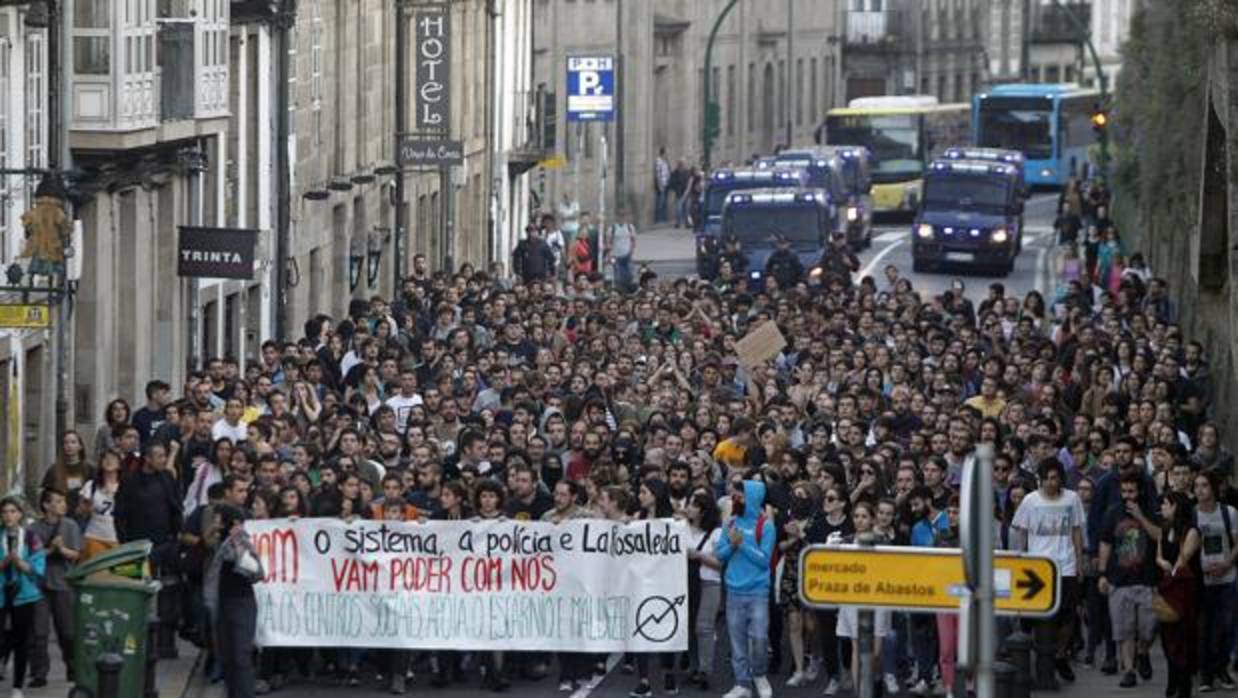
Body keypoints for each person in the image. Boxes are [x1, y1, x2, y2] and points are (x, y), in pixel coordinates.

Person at [1010, 457, 1085, 688]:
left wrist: (1080, 561)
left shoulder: (1072, 498)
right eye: (1047, 479)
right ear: (1040, 480)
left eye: (1055, 478)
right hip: (1038, 567)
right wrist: (1020, 561)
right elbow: (1020, 532)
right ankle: (1043, 660)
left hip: (1066, 565)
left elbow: (1076, 531)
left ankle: (1059, 654)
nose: (1052, 483)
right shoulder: (1030, 501)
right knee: (1036, 620)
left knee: (1069, 616)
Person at [1097, 472, 1161, 689]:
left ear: (1140, 491)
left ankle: (1143, 652)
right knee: (1124, 629)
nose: (1127, 496)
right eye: (1123, 491)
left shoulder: (1152, 511)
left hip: (1147, 579)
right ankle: (1129, 670)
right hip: (1120, 580)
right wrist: (1103, 574)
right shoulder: (1112, 513)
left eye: (1131, 491)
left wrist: (1141, 517)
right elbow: (1105, 543)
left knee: (1148, 628)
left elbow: (1160, 536)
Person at [715, 479, 776, 698]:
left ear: (752, 499)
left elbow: (764, 560)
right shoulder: (730, 523)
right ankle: (742, 684)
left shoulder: (766, 526)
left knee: (759, 638)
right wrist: (732, 545)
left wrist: (742, 545)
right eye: (734, 497)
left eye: (740, 497)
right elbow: (720, 555)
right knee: (737, 642)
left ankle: (759, 675)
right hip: (734, 591)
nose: (735, 500)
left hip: (758, 591)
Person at [204, 503, 264, 698]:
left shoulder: (242, 542)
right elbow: (205, 542)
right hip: (222, 604)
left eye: (218, 518)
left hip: (241, 603)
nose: (215, 522)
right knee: (227, 656)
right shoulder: (219, 542)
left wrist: (237, 542)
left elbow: (256, 572)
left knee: (240, 656)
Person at [28, 488, 80, 688]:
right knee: (39, 632)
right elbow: (33, 556)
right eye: (57, 501)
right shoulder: (34, 529)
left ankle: (73, 667)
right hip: (39, 585)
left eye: (63, 501)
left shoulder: (70, 525)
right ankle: (39, 672)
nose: (63, 505)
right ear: (46, 505)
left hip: (63, 583)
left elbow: (75, 555)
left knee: (67, 631)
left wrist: (62, 549)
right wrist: (51, 549)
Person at [1193, 469, 1238, 691]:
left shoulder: (1229, 512)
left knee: (1227, 625)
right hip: (1202, 580)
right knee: (1205, 628)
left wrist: (1227, 563)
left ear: (1213, 487)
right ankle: (1206, 674)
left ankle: (1222, 668)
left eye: (1204, 485)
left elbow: (1236, 542)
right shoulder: (1192, 515)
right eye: (1197, 486)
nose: (1200, 490)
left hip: (1227, 578)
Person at [1155, 491, 1199, 698]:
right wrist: (1162, 562)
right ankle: (1173, 678)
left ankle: (1184, 685)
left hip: (1185, 592)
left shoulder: (1190, 532)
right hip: (1167, 589)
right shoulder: (1164, 529)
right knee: (1167, 638)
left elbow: (1183, 561)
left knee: (1183, 639)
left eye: (1165, 504)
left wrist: (1170, 568)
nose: (1162, 508)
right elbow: (1159, 555)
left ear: (1175, 507)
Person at [0, 496, 46, 697]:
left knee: (21, 640)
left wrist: (20, 563)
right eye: (5, 512)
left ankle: (17, 686)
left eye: (13, 511)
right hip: (2, 593)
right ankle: (4, 656)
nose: (9, 516)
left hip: (24, 594)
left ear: (20, 514)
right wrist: (5, 563)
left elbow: (37, 567)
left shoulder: (30, 537)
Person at [608, 208, 637, 292]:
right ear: (616, 217)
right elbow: (609, 242)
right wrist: (610, 253)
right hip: (616, 255)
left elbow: (633, 240)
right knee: (617, 275)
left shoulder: (630, 227)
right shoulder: (612, 228)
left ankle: (629, 289)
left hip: (627, 255)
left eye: (623, 216)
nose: (622, 218)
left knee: (630, 274)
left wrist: (631, 251)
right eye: (620, 216)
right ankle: (619, 290)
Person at [654, 148, 671, 223]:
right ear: (663, 153)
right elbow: (658, 174)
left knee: (664, 201)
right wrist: (660, 184)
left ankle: (664, 218)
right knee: (660, 201)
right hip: (662, 184)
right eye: (665, 153)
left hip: (666, 183)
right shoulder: (658, 161)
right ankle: (659, 218)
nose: (666, 155)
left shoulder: (665, 161)